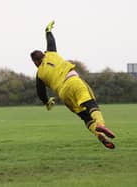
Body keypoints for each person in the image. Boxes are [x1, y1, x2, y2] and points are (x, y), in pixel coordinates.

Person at [30, 21, 116, 149]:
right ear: (44, 54)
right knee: (90, 104)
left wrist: (47, 102)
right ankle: (100, 124)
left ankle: (99, 135)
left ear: (36, 61)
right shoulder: (51, 54)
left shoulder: (39, 74)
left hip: (63, 94)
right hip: (73, 81)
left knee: (85, 117)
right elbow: (51, 42)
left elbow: (40, 93)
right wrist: (48, 31)